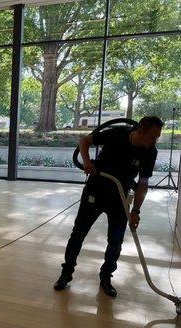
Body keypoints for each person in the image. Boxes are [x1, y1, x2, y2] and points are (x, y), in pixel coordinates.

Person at [54, 116, 163, 297]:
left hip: (120, 197)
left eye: (157, 137)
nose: (154, 141)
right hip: (96, 191)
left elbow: (143, 183)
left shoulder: (150, 152)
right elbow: (85, 141)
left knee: (116, 240)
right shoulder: (117, 134)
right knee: (78, 233)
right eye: (152, 137)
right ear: (140, 131)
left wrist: (136, 210)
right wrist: (87, 162)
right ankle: (66, 273)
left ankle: (106, 277)